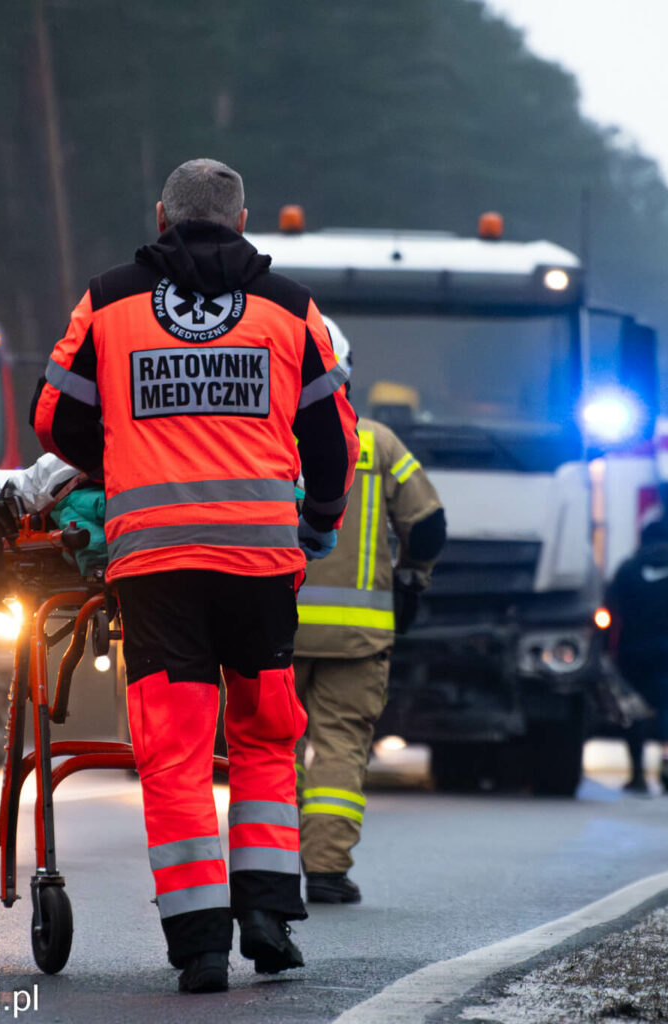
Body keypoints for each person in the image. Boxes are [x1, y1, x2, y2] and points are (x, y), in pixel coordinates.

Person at [30, 158, 359, 993]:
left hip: (156, 564)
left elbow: (55, 417)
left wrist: (125, 456)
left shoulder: (107, 301)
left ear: (161, 215)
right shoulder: (292, 309)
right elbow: (332, 441)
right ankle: (268, 918)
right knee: (262, 735)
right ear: (243, 219)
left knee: (174, 753)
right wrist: (316, 525)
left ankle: (201, 946)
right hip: (260, 561)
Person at [292, 317, 445, 904]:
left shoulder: (260, 441)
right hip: (358, 639)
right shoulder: (376, 444)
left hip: (271, 626)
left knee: (271, 749)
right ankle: (327, 872)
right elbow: (428, 523)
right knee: (340, 747)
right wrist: (412, 580)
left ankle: (270, 866)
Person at [605, 519, 668, 796]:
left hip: (633, 646)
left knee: (634, 707)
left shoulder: (630, 567)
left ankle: (637, 773)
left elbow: (611, 600)